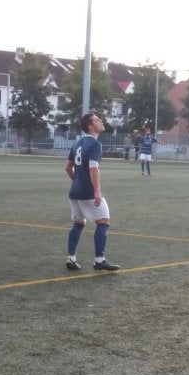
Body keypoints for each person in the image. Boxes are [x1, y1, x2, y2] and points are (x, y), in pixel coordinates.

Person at [65, 113, 119, 271]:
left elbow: (67, 167)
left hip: (74, 192)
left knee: (78, 224)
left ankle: (71, 258)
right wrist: (97, 191)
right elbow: (93, 168)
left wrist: (76, 181)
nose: (101, 121)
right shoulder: (95, 144)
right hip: (87, 192)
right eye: (97, 120)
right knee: (103, 222)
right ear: (90, 126)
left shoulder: (77, 143)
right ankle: (99, 260)